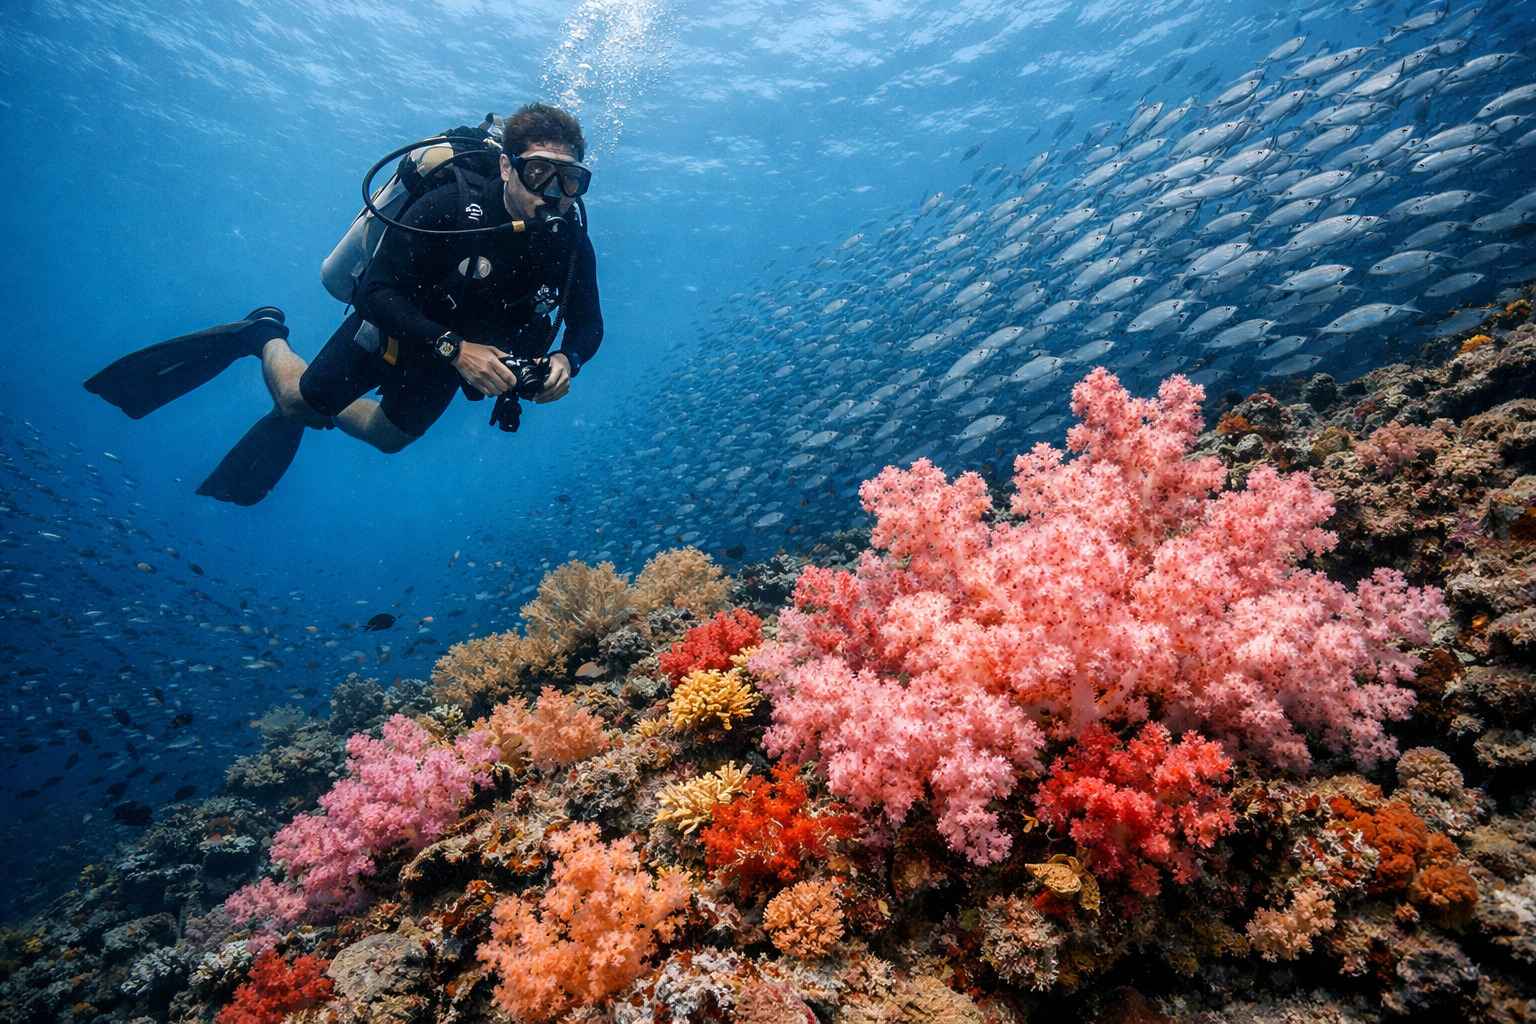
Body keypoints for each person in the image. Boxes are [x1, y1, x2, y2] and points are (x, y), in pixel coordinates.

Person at [84, 103, 604, 505]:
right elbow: (375, 289)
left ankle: (321, 402)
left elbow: (589, 326)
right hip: (395, 331)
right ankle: (262, 334)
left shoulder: (571, 239)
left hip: (464, 357)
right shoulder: (451, 206)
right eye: (539, 173)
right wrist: (452, 346)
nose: (556, 193)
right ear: (507, 169)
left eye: (571, 180)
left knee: (390, 438)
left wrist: (566, 360)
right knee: (296, 406)